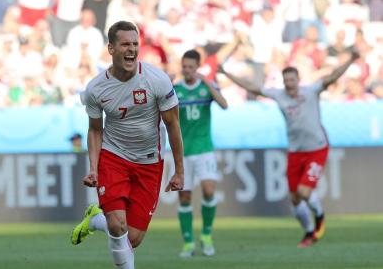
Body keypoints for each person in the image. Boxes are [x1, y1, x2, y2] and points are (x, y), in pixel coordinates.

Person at [70, 21, 184, 269]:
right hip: (114, 157)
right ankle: (107, 222)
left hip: (149, 161)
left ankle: (95, 220)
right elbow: (95, 129)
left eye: (135, 44)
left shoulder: (157, 80)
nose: (131, 49)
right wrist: (93, 167)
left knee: (132, 238)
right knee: (118, 225)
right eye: (125, 44)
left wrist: (179, 170)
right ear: (111, 48)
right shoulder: (96, 88)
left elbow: (173, 125)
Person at [219, 48, 360, 248]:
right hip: (295, 151)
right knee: (294, 199)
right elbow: (252, 87)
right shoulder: (279, 95)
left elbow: (333, 76)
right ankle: (309, 232)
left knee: (303, 192)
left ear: (298, 79)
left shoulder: (311, 91)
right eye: (286, 80)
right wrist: (227, 74)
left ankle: (319, 215)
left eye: (292, 80)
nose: (289, 83)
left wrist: (351, 61)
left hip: (317, 148)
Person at [173, 49, 228, 257]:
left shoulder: (206, 87)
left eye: (190, 67)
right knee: (184, 197)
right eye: (184, 66)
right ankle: (188, 243)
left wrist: (208, 83)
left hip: (204, 149)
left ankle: (206, 235)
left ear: (197, 67)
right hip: (183, 152)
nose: (186, 70)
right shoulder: (175, 89)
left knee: (208, 190)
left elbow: (224, 105)